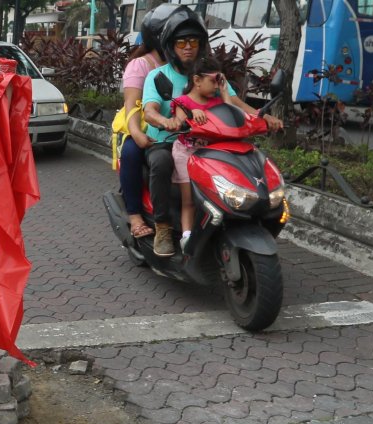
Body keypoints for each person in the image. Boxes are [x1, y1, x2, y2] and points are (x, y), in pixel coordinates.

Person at [140, 8, 283, 257]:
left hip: (212, 141)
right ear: (170, 46)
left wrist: (263, 118)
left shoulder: (213, 77)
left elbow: (237, 105)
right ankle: (163, 227)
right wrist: (166, 121)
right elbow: (149, 110)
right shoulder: (157, 76)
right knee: (161, 162)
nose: (187, 47)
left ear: (201, 44)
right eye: (181, 42)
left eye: (193, 41)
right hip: (171, 140)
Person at [115, 3, 185, 241]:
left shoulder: (187, 64)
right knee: (133, 152)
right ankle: (135, 215)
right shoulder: (142, 65)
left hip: (180, 129)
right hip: (143, 124)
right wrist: (136, 133)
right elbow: (132, 106)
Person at [166, 55, 232, 246]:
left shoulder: (218, 102)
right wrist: (191, 113)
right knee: (190, 199)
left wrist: (225, 91)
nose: (216, 85)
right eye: (213, 81)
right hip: (186, 154)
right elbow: (179, 122)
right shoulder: (182, 102)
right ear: (196, 80)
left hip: (211, 155)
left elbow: (231, 116)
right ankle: (186, 236)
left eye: (218, 80)